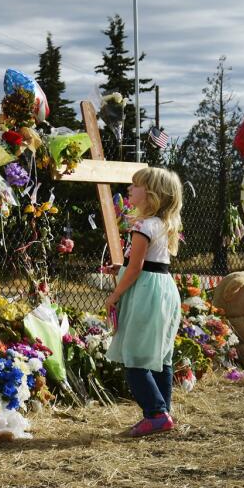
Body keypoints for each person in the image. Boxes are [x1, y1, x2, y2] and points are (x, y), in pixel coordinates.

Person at [105, 166, 183, 437]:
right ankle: (163, 412)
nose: (129, 189)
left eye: (135, 185)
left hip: (146, 292)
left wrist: (114, 295)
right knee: (160, 355)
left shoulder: (143, 226)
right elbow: (146, 263)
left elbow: (137, 268)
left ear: (151, 194)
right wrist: (121, 268)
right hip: (164, 289)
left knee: (135, 356)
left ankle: (155, 413)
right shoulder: (163, 225)